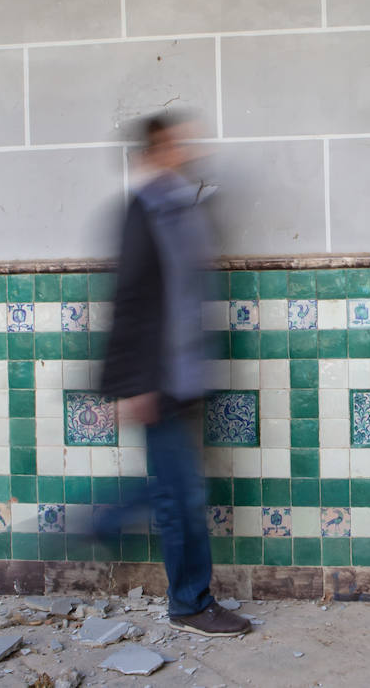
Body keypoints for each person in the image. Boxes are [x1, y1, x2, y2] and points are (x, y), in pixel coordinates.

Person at [98, 111, 250, 638]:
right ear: (151, 154)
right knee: (180, 495)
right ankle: (189, 604)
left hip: (182, 377)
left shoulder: (179, 208)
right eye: (173, 145)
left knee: (175, 491)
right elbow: (130, 299)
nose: (185, 152)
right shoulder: (143, 212)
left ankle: (101, 524)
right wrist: (133, 384)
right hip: (158, 379)